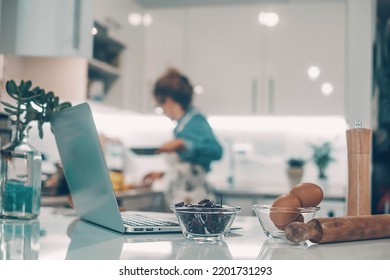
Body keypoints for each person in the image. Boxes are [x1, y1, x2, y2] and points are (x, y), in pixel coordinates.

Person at [143, 68, 223, 205]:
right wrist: (163, 174)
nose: (162, 111)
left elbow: (216, 150)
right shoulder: (181, 125)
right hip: (182, 199)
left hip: (196, 201)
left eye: (160, 104)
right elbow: (188, 166)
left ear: (168, 100)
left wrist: (182, 144)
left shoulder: (196, 121)